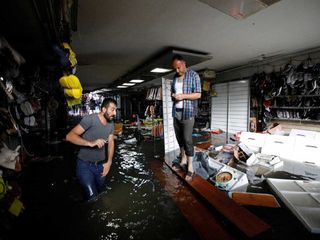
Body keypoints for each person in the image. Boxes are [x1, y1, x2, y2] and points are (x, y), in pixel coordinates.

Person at [66, 98, 117, 201]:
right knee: (92, 198)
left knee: (101, 192)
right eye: (112, 110)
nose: (115, 113)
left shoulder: (111, 124)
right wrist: (90, 143)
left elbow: (111, 142)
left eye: (116, 110)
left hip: (101, 165)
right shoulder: (90, 119)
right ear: (104, 109)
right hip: (84, 166)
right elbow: (69, 136)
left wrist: (109, 162)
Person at [171, 54, 201, 181]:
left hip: (188, 112)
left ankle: (190, 167)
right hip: (176, 111)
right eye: (175, 69)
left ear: (184, 64)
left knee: (187, 139)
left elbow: (198, 94)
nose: (177, 71)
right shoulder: (175, 77)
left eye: (178, 68)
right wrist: (173, 95)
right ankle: (182, 159)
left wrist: (182, 96)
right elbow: (174, 92)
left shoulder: (193, 75)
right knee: (179, 138)